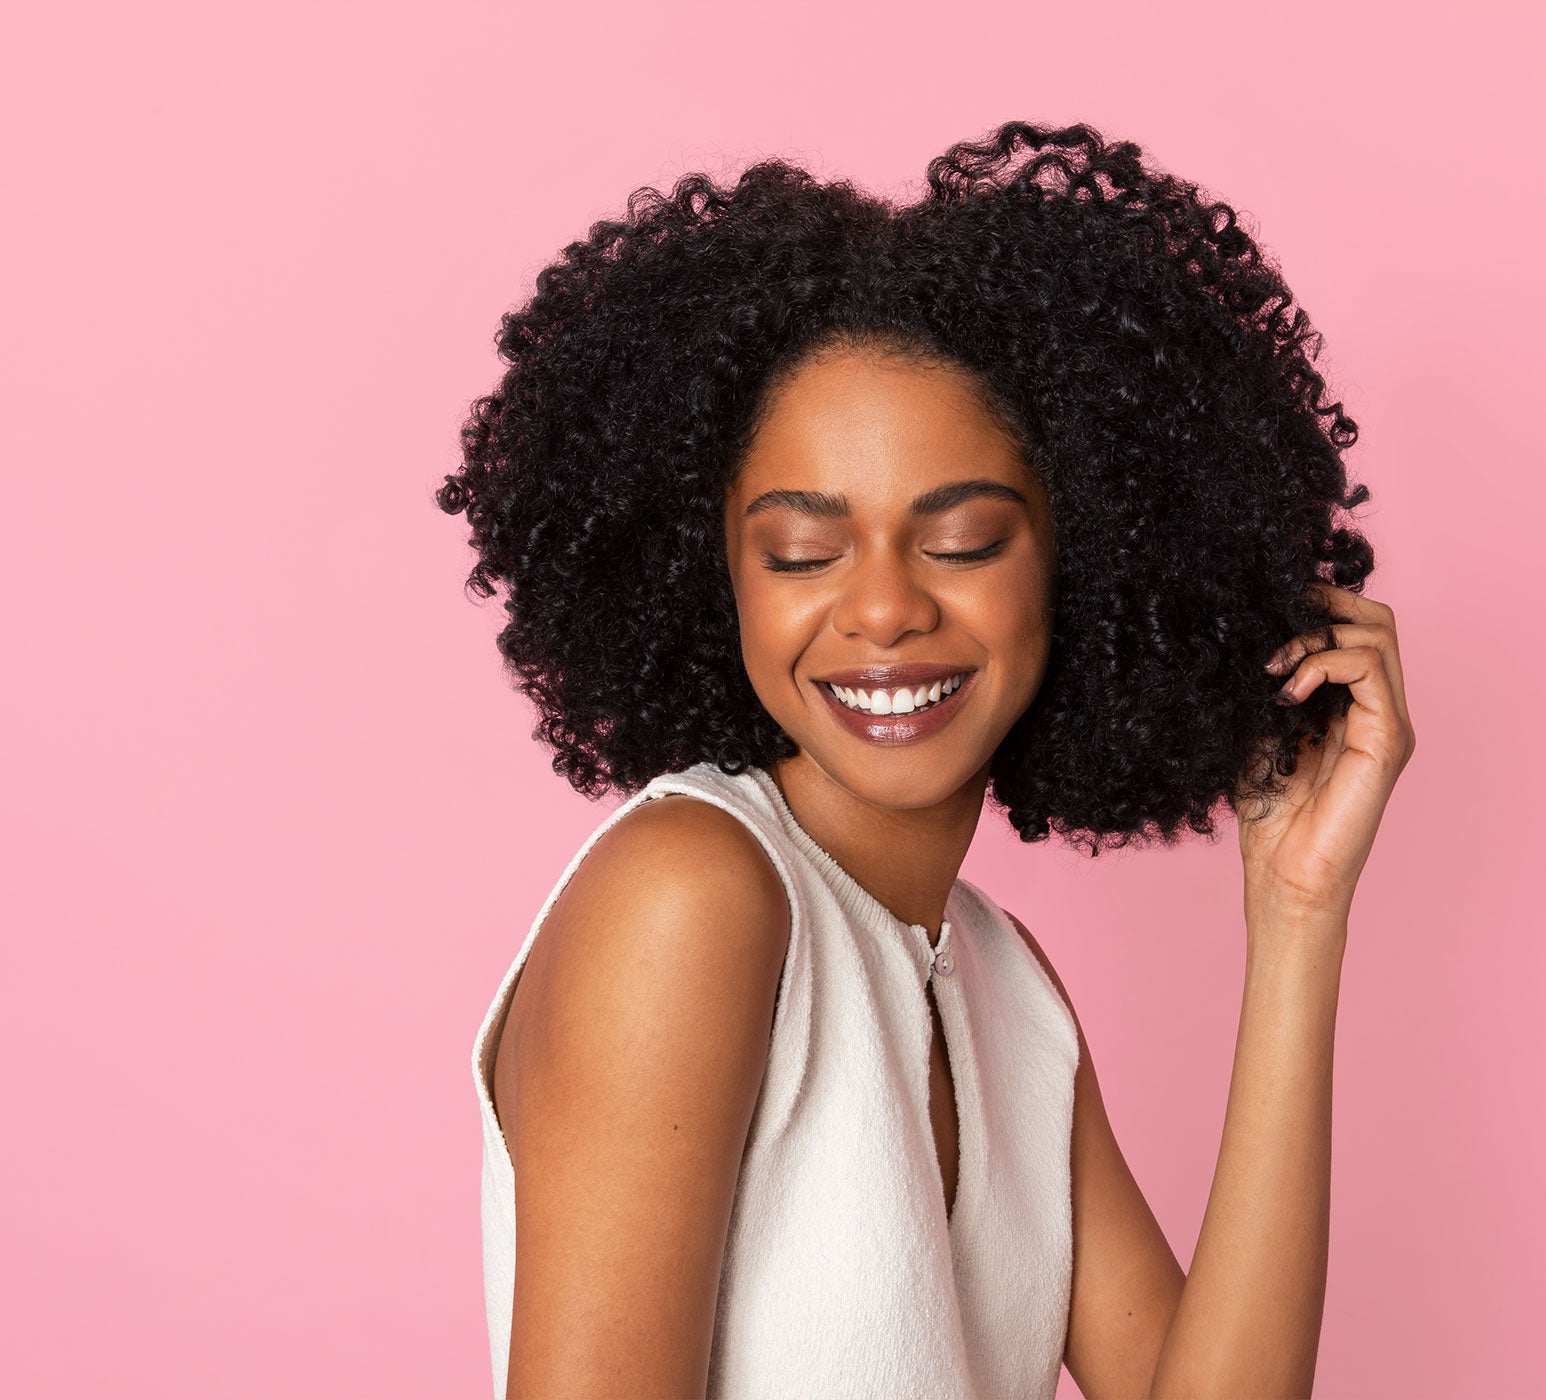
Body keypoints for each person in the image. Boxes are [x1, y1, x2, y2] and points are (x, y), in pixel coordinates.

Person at [435, 120, 1414, 1399]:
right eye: (800, 552)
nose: (883, 608)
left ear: (1088, 559)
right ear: (711, 573)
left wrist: (1296, 910)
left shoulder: (1008, 988)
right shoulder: (689, 896)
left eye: (959, 542)